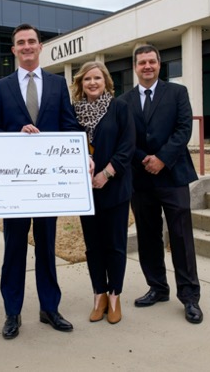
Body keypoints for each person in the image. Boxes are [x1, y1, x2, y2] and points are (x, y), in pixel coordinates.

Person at [0, 23, 83, 339]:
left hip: (47, 186)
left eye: (32, 41)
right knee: (13, 249)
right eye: (20, 43)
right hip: (14, 186)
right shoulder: (1, 87)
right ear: (13, 50)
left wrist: (80, 155)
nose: (27, 46)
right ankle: (12, 313)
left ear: (40, 47)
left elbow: (69, 127)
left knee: (46, 247)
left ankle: (49, 309)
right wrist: (17, 134)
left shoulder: (57, 85)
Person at [118, 45, 203, 324]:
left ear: (159, 63)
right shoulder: (124, 101)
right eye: (142, 62)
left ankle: (190, 297)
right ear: (135, 66)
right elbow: (125, 138)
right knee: (148, 235)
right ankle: (157, 287)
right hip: (141, 178)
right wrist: (145, 160)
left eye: (152, 61)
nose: (147, 66)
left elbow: (183, 130)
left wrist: (162, 159)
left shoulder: (177, 93)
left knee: (180, 236)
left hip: (173, 175)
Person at [70, 61, 135, 325]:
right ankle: (99, 295)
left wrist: (106, 173)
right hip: (86, 192)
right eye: (87, 79)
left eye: (97, 78)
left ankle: (115, 295)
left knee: (115, 245)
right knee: (93, 246)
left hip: (115, 187)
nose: (92, 83)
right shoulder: (73, 112)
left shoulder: (119, 108)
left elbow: (128, 145)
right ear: (80, 84)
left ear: (106, 81)